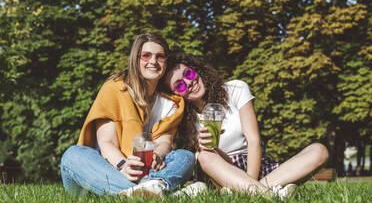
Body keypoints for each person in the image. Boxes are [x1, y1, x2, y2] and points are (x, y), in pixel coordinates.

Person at [163, 53, 329, 198]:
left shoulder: (235, 88)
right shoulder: (184, 119)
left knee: (319, 150)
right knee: (205, 156)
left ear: (196, 70)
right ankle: (270, 194)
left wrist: (250, 182)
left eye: (188, 73)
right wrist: (211, 148)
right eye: (179, 85)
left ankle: (251, 194)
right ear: (176, 95)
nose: (189, 82)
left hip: (254, 164)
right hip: (222, 173)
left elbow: (254, 140)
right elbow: (210, 162)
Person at [60, 33, 194, 197]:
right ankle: (156, 191)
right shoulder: (115, 88)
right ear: (136, 60)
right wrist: (123, 166)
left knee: (184, 156)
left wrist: (158, 155)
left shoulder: (171, 103)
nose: (153, 61)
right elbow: (107, 142)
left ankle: (143, 191)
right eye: (146, 56)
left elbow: (165, 140)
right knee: (73, 155)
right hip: (107, 170)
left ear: (165, 62)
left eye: (160, 57)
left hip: (146, 171)